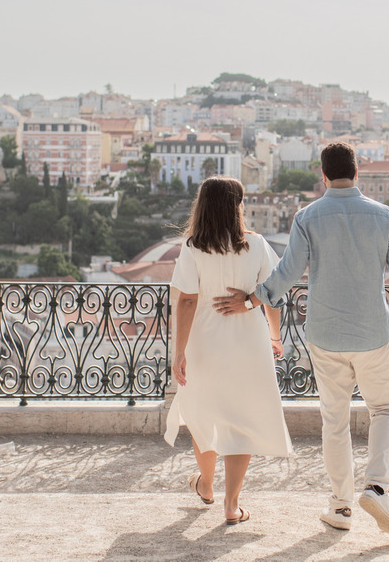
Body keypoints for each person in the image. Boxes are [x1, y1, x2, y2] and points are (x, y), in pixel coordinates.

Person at [215, 142, 389, 535]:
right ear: (357, 173)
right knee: (384, 410)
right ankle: (377, 487)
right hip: (372, 333)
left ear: (323, 176)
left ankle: (341, 507)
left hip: (325, 334)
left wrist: (250, 301)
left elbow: (288, 270)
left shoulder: (307, 216)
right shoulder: (385, 217)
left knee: (334, 421)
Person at [164, 175, 293, 525]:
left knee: (202, 415)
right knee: (242, 421)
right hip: (248, 344)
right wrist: (275, 334)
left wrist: (179, 352)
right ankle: (231, 504)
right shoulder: (257, 244)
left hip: (205, 344)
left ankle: (206, 485)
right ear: (237, 206)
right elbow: (273, 292)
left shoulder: (192, 247)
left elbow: (187, 301)